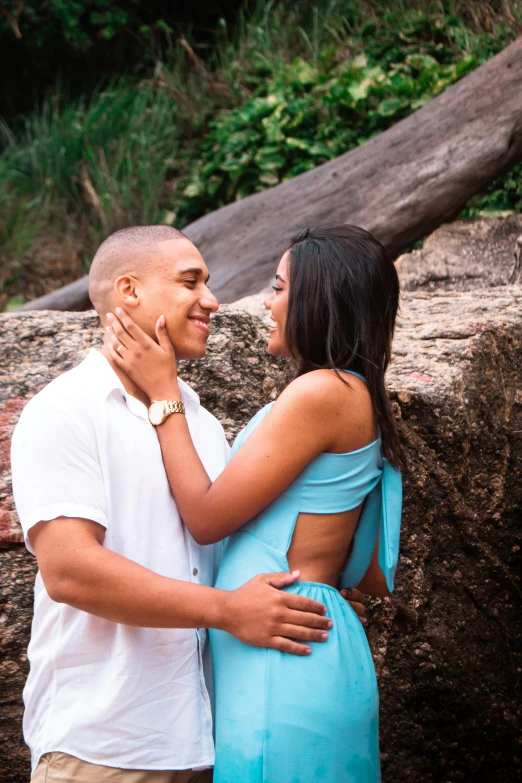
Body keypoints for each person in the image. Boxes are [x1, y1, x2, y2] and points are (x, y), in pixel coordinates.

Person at [10, 225, 365, 783]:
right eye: (190, 281)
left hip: (206, 743)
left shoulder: (197, 426)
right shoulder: (65, 410)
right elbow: (70, 572)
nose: (212, 300)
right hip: (105, 747)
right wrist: (228, 611)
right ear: (128, 291)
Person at [106, 224, 404, 783]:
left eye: (279, 286)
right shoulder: (352, 393)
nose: (267, 302)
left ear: (320, 298)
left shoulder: (323, 392)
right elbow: (367, 573)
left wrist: (163, 391)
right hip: (292, 644)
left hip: (283, 658)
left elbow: (206, 518)